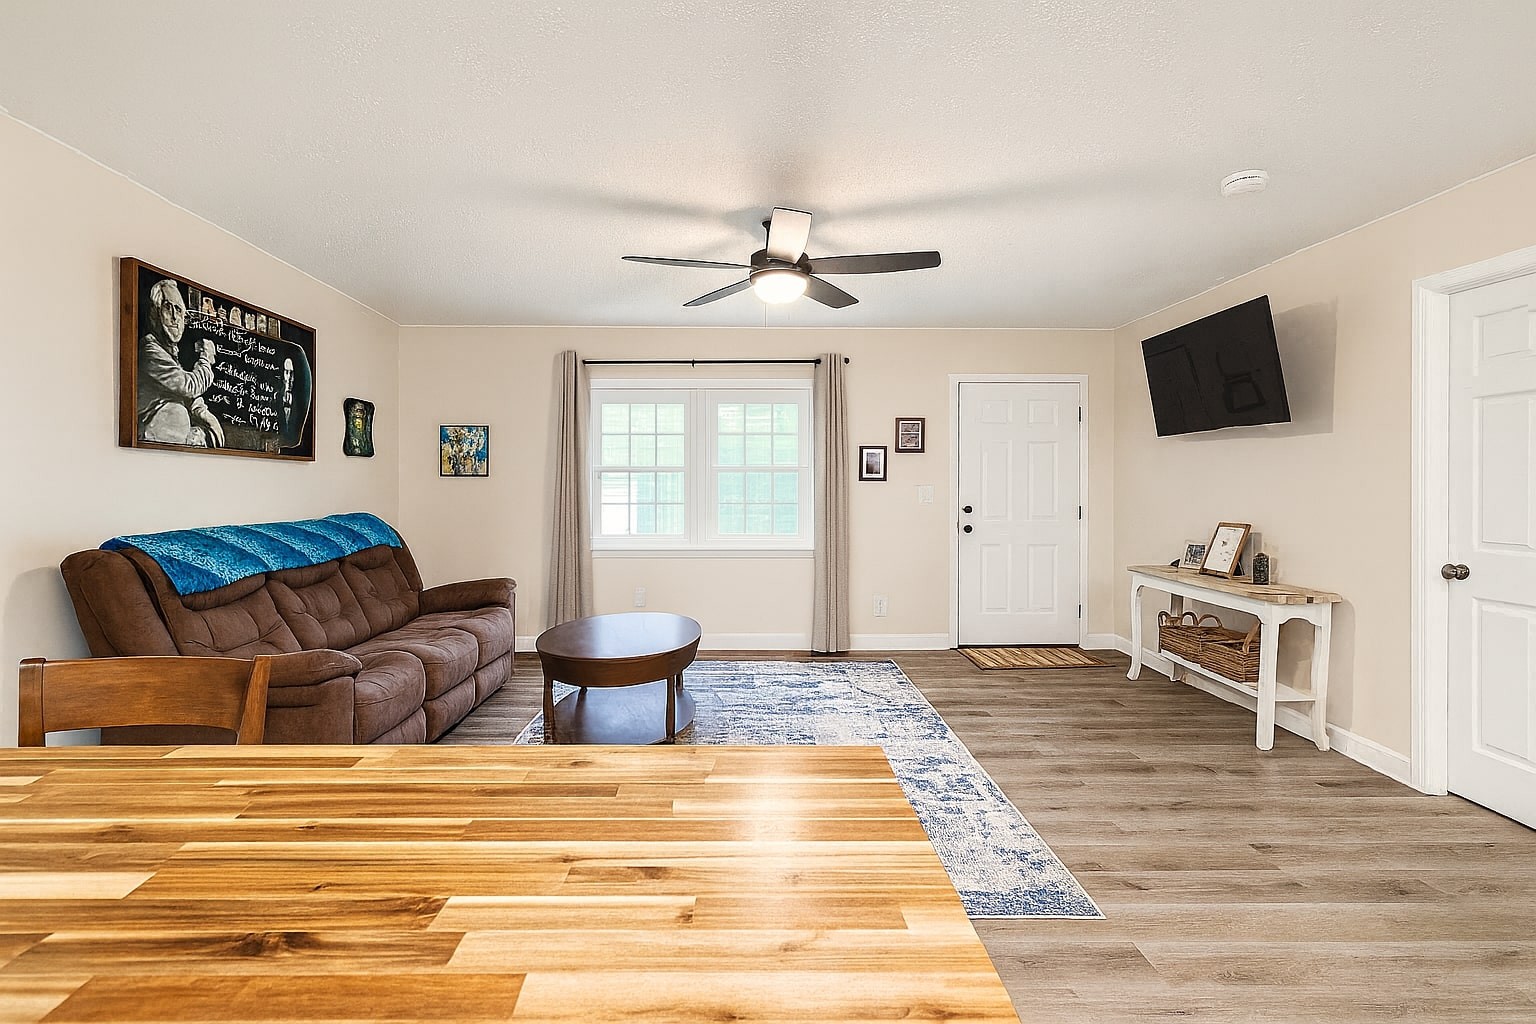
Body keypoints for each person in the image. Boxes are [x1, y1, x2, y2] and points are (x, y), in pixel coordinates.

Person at [136, 279, 224, 447]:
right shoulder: (150, 351)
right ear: (154, 313)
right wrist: (206, 360)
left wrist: (203, 412)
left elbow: (182, 393)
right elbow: (187, 386)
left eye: (179, 310)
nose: (175, 318)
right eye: (167, 308)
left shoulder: (168, 352)